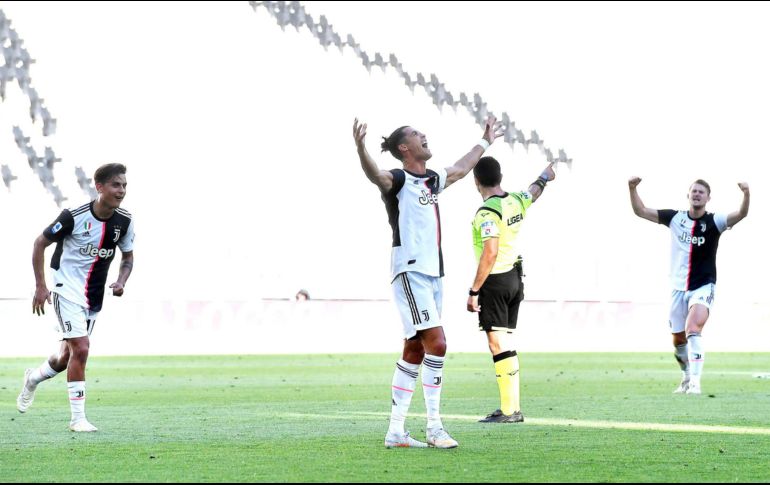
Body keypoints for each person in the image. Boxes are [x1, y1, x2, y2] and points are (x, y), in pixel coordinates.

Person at [353, 116, 503, 449]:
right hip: (410, 270)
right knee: (438, 343)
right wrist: (361, 148)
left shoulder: (432, 179)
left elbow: (462, 169)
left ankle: (396, 432)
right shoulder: (399, 179)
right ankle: (434, 427)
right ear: (404, 148)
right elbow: (374, 175)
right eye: (417, 135)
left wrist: (486, 141)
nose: (424, 136)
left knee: (415, 349)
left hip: (434, 273)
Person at [17, 163, 135, 432]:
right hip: (64, 288)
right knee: (81, 348)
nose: (122, 190)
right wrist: (40, 286)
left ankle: (32, 379)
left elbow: (127, 257)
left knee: (65, 358)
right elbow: (40, 243)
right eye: (116, 185)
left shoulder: (125, 221)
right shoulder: (73, 216)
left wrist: (121, 280)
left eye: (125, 185)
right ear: (100, 187)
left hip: (92, 297)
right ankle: (77, 419)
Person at [628, 177, 749, 395]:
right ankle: (685, 376)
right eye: (694, 191)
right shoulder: (674, 218)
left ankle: (695, 382)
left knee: (693, 328)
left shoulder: (715, 221)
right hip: (677, 288)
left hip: (703, 286)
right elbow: (641, 211)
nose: (697, 194)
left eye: (701, 192)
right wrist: (632, 188)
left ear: (708, 198)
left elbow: (740, 214)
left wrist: (746, 194)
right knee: (678, 340)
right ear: (688, 195)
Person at [467, 156, 555, 423]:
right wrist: (544, 176)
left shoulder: (487, 213)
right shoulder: (515, 200)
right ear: (500, 177)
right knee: (504, 342)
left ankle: (509, 410)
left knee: (497, 344)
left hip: (495, 280)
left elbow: (490, 252)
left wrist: (474, 291)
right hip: (515, 278)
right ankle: (510, 407)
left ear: (476, 181)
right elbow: (533, 192)